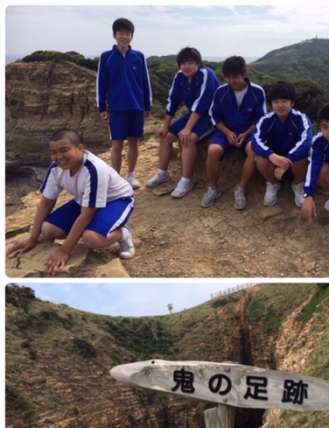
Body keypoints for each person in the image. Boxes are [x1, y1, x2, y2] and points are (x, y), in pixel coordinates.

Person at [7, 129, 136, 275]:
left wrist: (65, 250)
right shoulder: (55, 168)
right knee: (48, 230)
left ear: (81, 148)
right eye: (54, 152)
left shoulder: (94, 170)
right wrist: (32, 238)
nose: (58, 157)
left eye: (64, 150)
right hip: (84, 200)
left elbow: (86, 215)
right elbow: (46, 203)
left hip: (116, 200)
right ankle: (94, 228)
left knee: (91, 239)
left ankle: (122, 234)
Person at [146, 47, 219, 198]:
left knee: (188, 138)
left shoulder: (207, 75)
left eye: (191, 63)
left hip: (211, 115)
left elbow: (202, 103)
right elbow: (172, 101)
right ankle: (162, 173)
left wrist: (187, 128)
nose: (186, 66)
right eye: (183, 63)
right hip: (193, 114)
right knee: (166, 136)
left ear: (198, 63)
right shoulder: (180, 76)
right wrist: (165, 125)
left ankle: (186, 180)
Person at [201, 56, 267, 210]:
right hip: (225, 130)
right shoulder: (221, 92)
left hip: (249, 131)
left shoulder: (257, 91)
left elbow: (261, 118)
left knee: (253, 150)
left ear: (244, 74)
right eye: (228, 77)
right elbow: (214, 116)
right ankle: (213, 188)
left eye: (236, 77)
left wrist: (246, 133)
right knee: (213, 150)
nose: (232, 81)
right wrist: (227, 132)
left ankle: (240, 189)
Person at [97, 17, 152, 189]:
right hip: (116, 108)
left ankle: (131, 175)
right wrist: (102, 107)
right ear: (115, 35)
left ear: (131, 36)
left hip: (136, 107)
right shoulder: (106, 57)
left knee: (134, 143)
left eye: (128, 33)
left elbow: (146, 82)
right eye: (121, 33)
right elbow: (101, 84)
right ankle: (115, 179)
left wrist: (147, 105)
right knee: (117, 145)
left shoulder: (139, 56)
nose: (124, 36)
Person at [251, 81, 313, 208]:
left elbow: (307, 141)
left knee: (305, 155)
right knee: (259, 157)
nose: (280, 105)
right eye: (276, 102)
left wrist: (288, 160)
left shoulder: (301, 118)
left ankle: (298, 184)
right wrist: (271, 155)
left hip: (294, 162)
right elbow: (256, 141)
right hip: (274, 163)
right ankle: (273, 184)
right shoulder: (265, 120)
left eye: (284, 101)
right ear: (271, 104)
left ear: (292, 103)